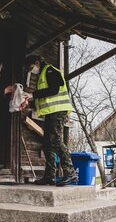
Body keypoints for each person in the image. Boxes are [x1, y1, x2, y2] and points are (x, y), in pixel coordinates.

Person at [22, 55, 77, 186]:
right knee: (47, 143)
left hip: (57, 112)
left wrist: (33, 95)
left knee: (55, 141)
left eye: (31, 67)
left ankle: (70, 172)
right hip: (50, 113)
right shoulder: (43, 75)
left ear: (36, 63)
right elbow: (44, 97)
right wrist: (29, 101)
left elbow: (54, 89)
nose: (31, 70)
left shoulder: (50, 71)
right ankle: (49, 176)